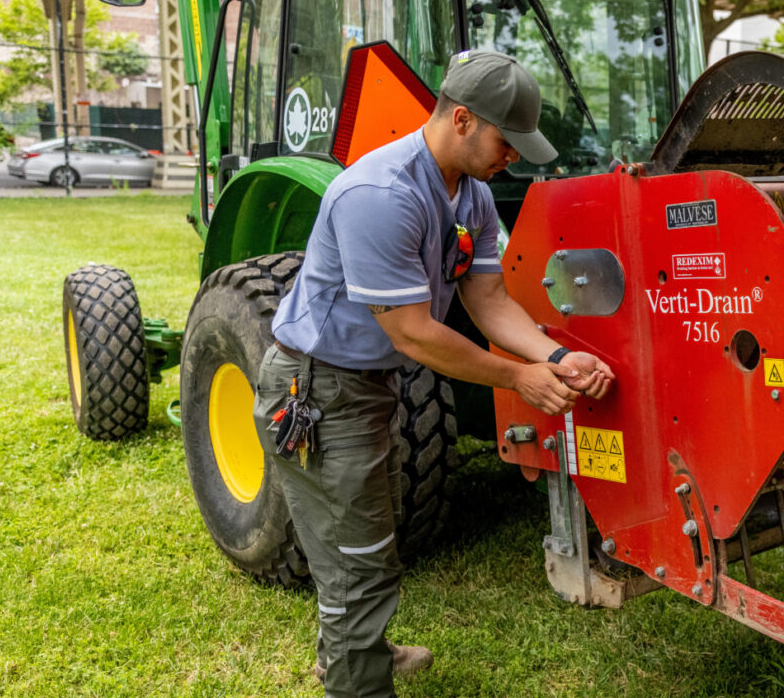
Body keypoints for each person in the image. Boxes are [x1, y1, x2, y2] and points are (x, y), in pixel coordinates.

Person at [253, 50, 614, 698]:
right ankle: (355, 679)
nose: (515, 157)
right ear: (465, 120)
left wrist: (555, 357)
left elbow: (489, 299)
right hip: (316, 389)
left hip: (368, 384)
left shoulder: (469, 194)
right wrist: (517, 378)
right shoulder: (381, 195)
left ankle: (356, 647)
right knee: (354, 550)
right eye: (509, 142)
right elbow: (413, 329)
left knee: (370, 528)